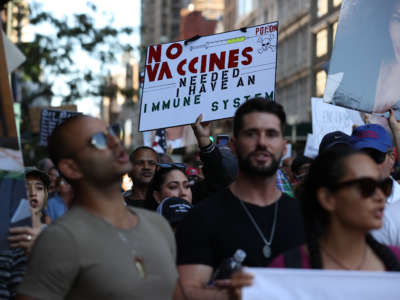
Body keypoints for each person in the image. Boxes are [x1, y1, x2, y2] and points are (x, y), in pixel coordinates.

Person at [16, 115, 180, 300]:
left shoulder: (158, 224)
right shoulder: (61, 239)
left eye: (111, 132)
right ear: (71, 168)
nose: (114, 141)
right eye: (99, 140)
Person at [175, 98, 305, 300]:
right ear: (234, 146)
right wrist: (231, 295)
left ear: (283, 145)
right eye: (251, 134)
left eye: (271, 134)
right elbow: (184, 293)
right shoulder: (202, 218)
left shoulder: (307, 217)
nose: (262, 142)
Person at [230, 148, 400, 300]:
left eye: (382, 186)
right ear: (327, 198)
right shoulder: (286, 269)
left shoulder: (396, 260)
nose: (379, 197)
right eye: (367, 187)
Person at [9, 167, 50, 256]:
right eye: (26, 188)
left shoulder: (54, 234)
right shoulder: (7, 235)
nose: (33, 193)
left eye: (39, 188)